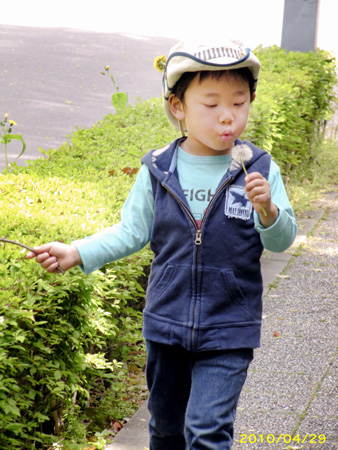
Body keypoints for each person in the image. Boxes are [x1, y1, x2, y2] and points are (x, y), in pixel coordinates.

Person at [27, 39, 297, 449]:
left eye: (240, 103)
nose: (228, 116)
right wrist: (76, 251)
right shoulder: (159, 169)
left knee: (208, 431)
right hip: (166, 326)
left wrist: (268, 211)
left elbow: (282, 240)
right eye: (211, 105)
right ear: (178, 107)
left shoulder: (258, 168)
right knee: (167, 430)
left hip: (230, 328)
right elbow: (130, 231)